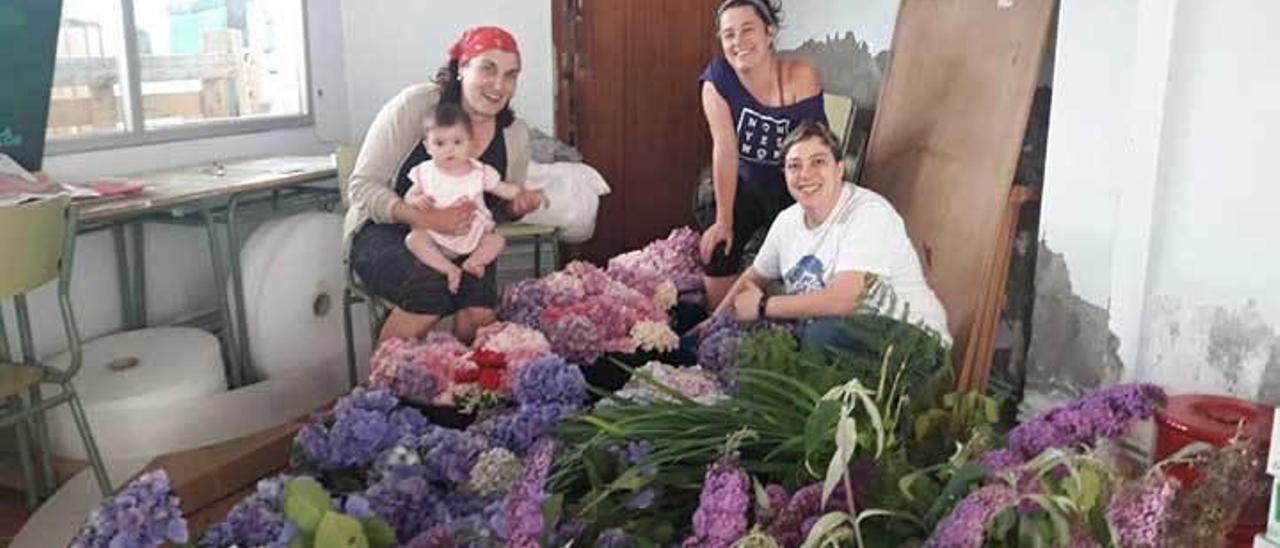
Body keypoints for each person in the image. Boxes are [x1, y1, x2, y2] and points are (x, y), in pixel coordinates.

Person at [344, 26, 543, 344]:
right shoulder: (415, 106)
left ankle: (461, 387)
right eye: (488, 70)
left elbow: (499, 210)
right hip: (384, 233)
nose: (499, 85)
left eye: (511, 75)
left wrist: (515, 208)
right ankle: (386, 389)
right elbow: (362, 187)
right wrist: (424, 218)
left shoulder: (514, 135)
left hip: (465, 240)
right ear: (462, 68)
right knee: (430, 289)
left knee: (478, 313)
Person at [712, 121, 952, 352]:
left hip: (915, 343)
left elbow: (847, 300)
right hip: (844, 338)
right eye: (794, 165)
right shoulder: (787, 221)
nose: (805, 174)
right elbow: (753, 278)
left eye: (818, 162)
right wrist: (713, 324)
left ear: (839, 169)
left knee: (819, 335)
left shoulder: (868, 213)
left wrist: (764, 305)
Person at [699, 0, 828, 309]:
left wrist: (817, 216)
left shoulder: (801, 76)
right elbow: (725, 150)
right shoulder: (718, 79)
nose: (738, 42)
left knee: (800, 264)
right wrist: (724, 221)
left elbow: (815, 150)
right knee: (719, 246)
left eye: (748, 30)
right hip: (742, 184)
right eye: (729, 34)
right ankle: (717, 329)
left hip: (793, 187)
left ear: (769, 32)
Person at [404, 103, 539, 294]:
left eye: (457, 142)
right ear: (427, 146)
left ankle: (474, 262)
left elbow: (503, 189)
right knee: (414, 240)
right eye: (440, 143)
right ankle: (448, 268)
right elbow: (409, 195)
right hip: (435, 234)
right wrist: (416, 200)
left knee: (497, 241)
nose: (449, 150)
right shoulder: (425, 172)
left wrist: (523, 194)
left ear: (471, 143)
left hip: (472, 234)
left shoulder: (479, 172)